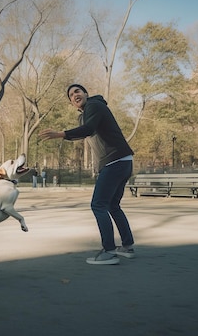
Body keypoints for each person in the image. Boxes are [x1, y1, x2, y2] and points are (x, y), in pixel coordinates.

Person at [39, 84, 135, 265]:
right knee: (113, 205)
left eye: (77, 91)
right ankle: (127, 246)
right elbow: (84, 132)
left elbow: (89, 129)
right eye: (71, 95)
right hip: (123, 161)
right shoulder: (86, 114)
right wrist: (65, 135)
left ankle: (109, 252)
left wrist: (60, 133)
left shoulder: (94, 105)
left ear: (85, 94)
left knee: (98, 205)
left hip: (114, 161)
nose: (74, 95)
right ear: (71, 102)